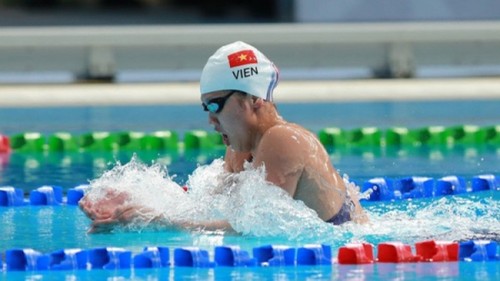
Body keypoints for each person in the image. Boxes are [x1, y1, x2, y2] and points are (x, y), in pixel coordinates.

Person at [79, 41, 367, 233]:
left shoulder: (284, 140)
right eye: (206, 107)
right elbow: (204, 206)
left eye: (216, 104)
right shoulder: (239, 149)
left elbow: (254, 228)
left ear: (252, 98)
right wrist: (136, 203)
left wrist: (156, 222)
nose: (210, 118)